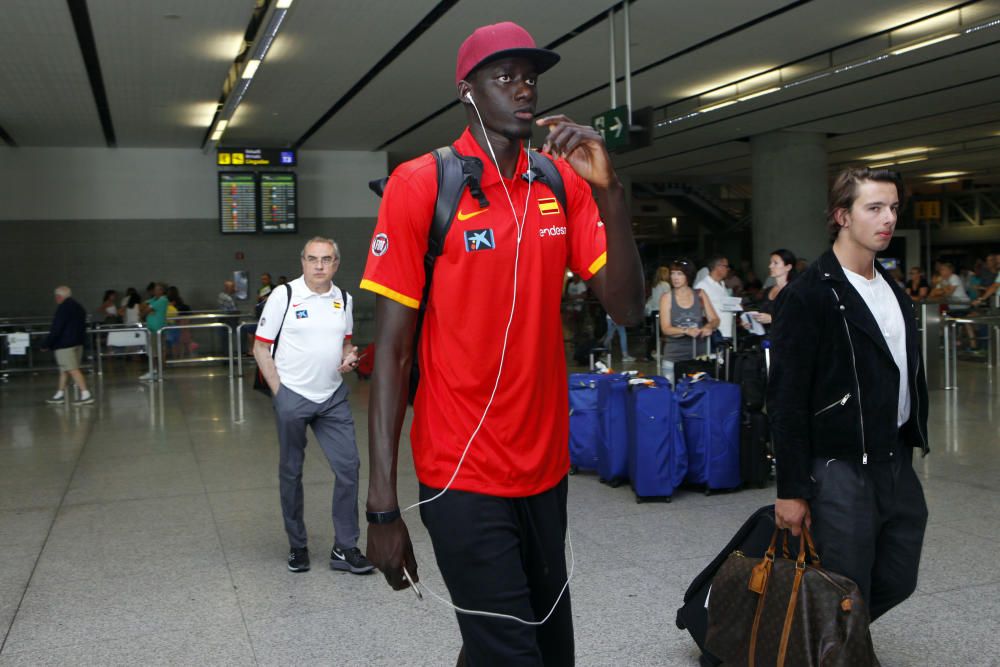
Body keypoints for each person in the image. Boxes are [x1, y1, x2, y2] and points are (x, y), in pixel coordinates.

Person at [360, 21, 643, 665]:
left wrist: (611, 195)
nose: (523, 90)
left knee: (543, 650)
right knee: (511, 653)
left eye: (530, 77)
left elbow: (625, 305)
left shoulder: (560, 183)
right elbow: (393, 353)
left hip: (544, 469)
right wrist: (381, 507)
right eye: (504, 77)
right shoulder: (421, 184)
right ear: (468, 90)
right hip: (459, 468)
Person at [769, 166, 929, 623]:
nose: (888, 219)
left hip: (894, 458)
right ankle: (839, 647)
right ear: (842, 215)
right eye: (874, 207)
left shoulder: (894, 293)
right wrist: (792, 490)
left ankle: (833, 638)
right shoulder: (810, 295)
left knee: (898, 575)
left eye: (894, 208)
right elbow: (786, 400)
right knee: (846, 583)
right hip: (840, 466)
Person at [254, 237, 372, 576]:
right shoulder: (284, 296)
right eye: (312, 259)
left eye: (326, 259)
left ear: (336, 263)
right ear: (302, 261)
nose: (319, 265)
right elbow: (261, 348)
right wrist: (281, 393)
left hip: (332, 398)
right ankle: (297, 545)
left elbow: (346, 344)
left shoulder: (344, 299)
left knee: (348, 468)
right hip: (293, 396)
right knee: (291, 472)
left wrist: (349, 358)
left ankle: (345, 547)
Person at [659, 259, 719, 383]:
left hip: (699, 356)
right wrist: (686, 330)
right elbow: (665, 328)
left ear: (688, 275)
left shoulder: (700, 294)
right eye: (673, 273)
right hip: (674, 357)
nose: (675, 277)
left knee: (698, 395)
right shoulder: (667, 298)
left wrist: (708, 326)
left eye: (679, 274)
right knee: (672, 395)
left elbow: (715, 319)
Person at [43, 286, 94, 405]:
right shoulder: (78, 307)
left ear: (59, 296)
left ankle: (85, 394)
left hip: (64, 345)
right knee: (64, 370)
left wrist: (47, 344)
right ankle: (59, 394)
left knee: (72, 370)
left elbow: (56, 328)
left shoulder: (63, 308)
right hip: (78, 343)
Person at [742, 248, 795, 333]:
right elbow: (763, 314)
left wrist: (772, 319)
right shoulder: (768, 291)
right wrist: (751, 322)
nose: (770, 266)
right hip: (766, 340)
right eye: (770, 263)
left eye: (775, 263)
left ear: (788, 267)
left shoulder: (795, 291)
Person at [694, 254, 733, 345]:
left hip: (727, 333)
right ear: (718, 267)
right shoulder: (702, 286)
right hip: (713, 335)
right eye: (726, 266)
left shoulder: (722, 284)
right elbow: (698, 312)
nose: (728, 269)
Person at [139, 282, 168, 381]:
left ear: (161, 291)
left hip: (157, 330)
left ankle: (157, 371)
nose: (154, 291)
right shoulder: (154, 299)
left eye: (156, 289)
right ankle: (154, 370)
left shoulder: (162, 300)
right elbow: (142, 306)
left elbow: (146, 310)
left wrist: (146, 311)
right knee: (153, 351)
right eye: (154, 289)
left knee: (157, 352)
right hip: (151, 330)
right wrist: (147, 310)